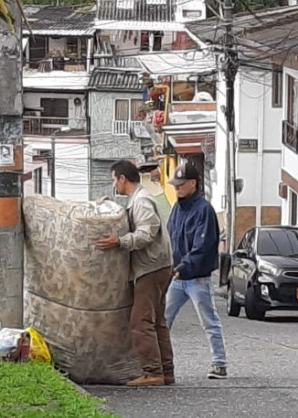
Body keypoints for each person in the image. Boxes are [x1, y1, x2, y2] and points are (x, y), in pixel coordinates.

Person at [95, 160, 175, 386]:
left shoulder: (142, 201)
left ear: (122, 179)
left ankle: (153, 373)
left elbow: (146, 234)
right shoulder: (138, 200)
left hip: (150, 268)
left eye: (114, 179)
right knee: (157, 321)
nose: (114, 184)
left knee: (140, 322)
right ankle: (166, 371)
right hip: (158, 266)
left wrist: (119, 242)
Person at [166, 164, 227, 380]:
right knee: (163, 320)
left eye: (181, 185)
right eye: (176, 185)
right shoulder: (176, 209)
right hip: (177, 277)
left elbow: (202, 247)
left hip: (197, 278)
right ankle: (160, 364)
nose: (177, 189)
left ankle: (219, 363)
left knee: (209, 321)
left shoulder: (205, 210)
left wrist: (181, 267)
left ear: (193, 183)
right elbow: (170, 238)